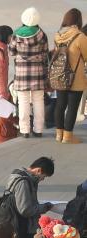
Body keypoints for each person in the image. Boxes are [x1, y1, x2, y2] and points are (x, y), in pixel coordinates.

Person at [9, 7, 50, 138]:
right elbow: (45, 55)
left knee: (23, 101)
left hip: (21, 73)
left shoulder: (16, 34)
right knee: (38, 100)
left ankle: (25, 130)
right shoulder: (42, 34)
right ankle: (38, 129)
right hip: (37, 72)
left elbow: (11, 52)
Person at [5, 156, 55, 238]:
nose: (43, 179)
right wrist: (44, 207)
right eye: (43, 176)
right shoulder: (23, 182)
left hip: (17, 226)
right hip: (22, 229)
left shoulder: (24, 178)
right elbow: (25, 209)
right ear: (38, 170)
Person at [53, 9, 87, 143]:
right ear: (78, 20)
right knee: (72, 107)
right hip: (76, 78)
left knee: (60, 105)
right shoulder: (81, 37)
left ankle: (58, 134)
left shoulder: (57, 36)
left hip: (60, 75)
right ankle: (67, 136)